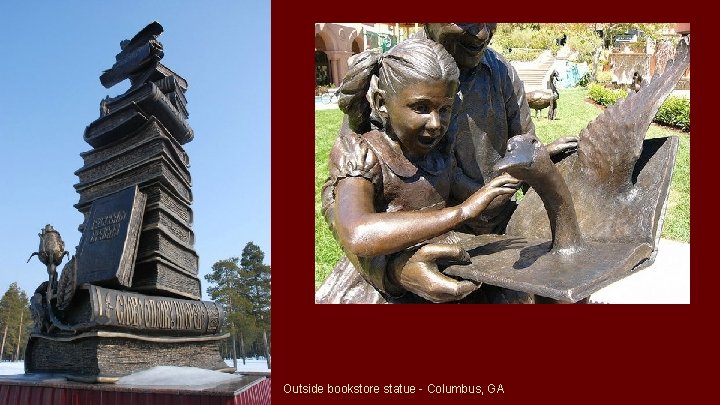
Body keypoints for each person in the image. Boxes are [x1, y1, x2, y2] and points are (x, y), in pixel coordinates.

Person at [320, 38, 520, 303]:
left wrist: (523, 172)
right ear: (382, 103)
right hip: (383, 290)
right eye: (421, 108)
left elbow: (477, 195)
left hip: (438, 264)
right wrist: (460, 212)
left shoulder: (439, 154)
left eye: (445, 109)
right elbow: (357, 231)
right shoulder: (363, 155)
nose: (436, 124)